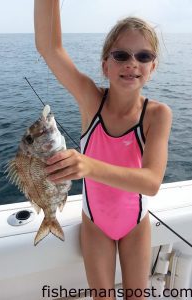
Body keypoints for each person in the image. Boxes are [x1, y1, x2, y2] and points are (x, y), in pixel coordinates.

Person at [34, 1, 172, 299]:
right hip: (95, 225)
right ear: (105, 65)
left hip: (136, 225)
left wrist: (88, 166)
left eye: (143, 56)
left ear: (153, 66)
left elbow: (151, 182)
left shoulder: (157, 114)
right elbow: (49, 48)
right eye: (121, 55)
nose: (131, 63)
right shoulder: (90, 100)